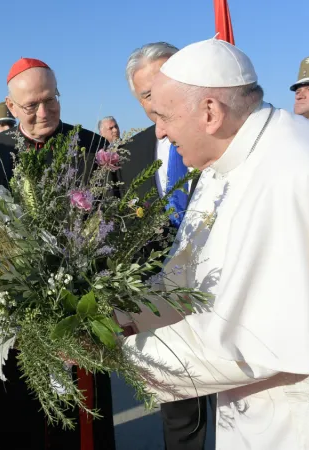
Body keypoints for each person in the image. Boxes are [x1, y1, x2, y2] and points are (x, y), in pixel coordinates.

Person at [123, 37, 309, 449]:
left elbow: (258, 342)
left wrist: (118, 354)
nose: (159, 130)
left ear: (211, 112)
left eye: (164, 116)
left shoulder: (292, 175)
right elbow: (186, 277)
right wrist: (119, 316)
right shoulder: (231, 158)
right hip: (258, 414)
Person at [0, 57, 114, 449]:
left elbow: (115, 223)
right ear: (11, 107)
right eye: (31, 106)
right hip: (13, 319)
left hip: (78, 312)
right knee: (19, 423)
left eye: (51, 100)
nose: (44, 112)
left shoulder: (91, 146)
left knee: (78, 422)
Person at [118, 41, 214, 450]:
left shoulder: (219, 137)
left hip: (224, 289)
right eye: (146, 94)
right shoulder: (130, 153)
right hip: (166, 304)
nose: (157, 100)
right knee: (181, 417)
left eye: (163, 85)